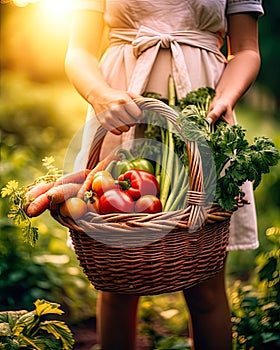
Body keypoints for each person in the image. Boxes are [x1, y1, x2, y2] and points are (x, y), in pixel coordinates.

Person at [64, 1, 264, 349]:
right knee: (117, 282)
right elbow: (78, 51)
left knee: (207, 286)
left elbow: (246, 49)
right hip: (121, 110)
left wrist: (224, 99)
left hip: (203, 111)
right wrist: (101, 95)